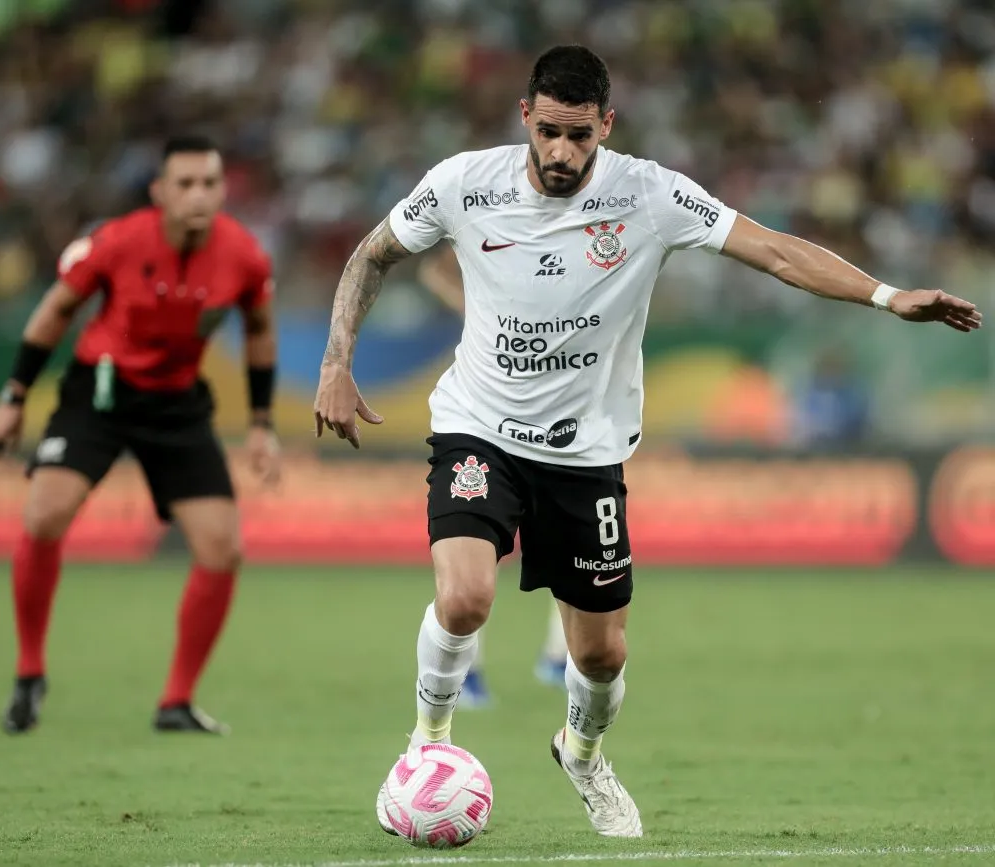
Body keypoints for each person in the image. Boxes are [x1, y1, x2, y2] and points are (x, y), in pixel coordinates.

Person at [313, 45, 981, 838]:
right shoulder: (464, 182)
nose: (562, 153)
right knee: (464, 597)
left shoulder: (650, 194)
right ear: (525, 115)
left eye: (581, 137)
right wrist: (335, 361)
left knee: (599, 657)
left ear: (607, 126)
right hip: (478, 428)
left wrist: (885, 294)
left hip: (587, 453)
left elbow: (770, 247)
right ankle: (426, 747)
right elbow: (374, 253)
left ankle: (583, 751)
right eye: (550, 132)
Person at [0, 135, 281, 736]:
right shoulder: (117, 241)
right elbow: (55, 311)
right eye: (186, 184)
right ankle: (29, 671)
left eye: (210, 184)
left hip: (177, 404)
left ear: (223, 190)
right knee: (43, 517)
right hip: (101, 393)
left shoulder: (245, 256)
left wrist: (261, 423)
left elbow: (258, 330)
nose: (199, 195)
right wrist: (14, 398)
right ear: (160, 192)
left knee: (223, 548)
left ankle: (176, 702)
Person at [418, 245, 569, 708]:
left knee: (569, 539)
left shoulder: (585, 223)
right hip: (487, 405)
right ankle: (468, 673)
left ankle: (559, 656)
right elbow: (434, 269)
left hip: (560, 398)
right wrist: (481, 312)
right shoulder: (495, 212)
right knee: (479, 549)